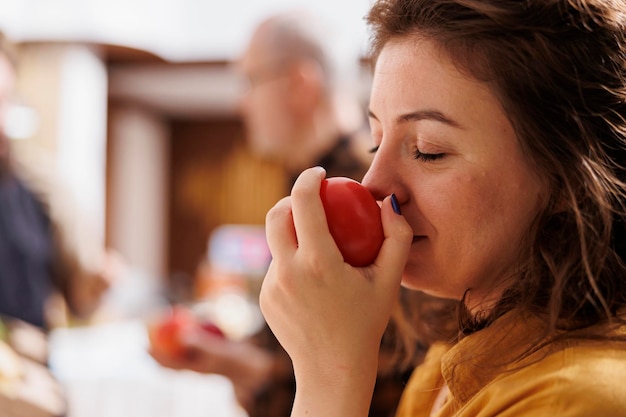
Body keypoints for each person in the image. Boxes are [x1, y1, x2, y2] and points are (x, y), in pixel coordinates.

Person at [259, 0, 626, 416]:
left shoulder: (575, 403)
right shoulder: (445, 362)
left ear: (566, 178)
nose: (372, 185)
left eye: (427, 150)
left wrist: (330, 375)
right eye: (376, 142)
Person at [148, 9, 457, 417]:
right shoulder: (311, 187)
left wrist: (246, 368)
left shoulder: (365, 197)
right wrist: (234, 355)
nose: (241, 103)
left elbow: (403, 368)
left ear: (299, 84)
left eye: (250, 81)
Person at [0, 31, 119, 334]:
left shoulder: (39, 185)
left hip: (25, 374)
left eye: (3, 100)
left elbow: (78, 301)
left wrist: (96, 284)